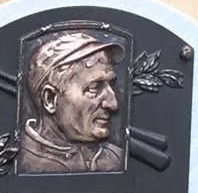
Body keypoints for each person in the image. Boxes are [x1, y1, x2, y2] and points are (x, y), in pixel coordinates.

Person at [19, 27, 124, 173]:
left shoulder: (118, 159)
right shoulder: (20, 159)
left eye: (111, 85)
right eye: (94, 88)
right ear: (50, 99)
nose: (113, 104)